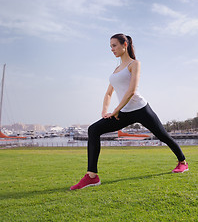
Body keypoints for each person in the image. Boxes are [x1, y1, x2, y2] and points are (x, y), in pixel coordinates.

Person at [70, 33, 188, 190]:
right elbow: (108, 93)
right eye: (110, 46)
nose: (111, 49)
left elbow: (132, 90)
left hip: (141, 109)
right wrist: (105, 111)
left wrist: (115, 110)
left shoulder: (134, 64)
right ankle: (92, 176)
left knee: (163, 136)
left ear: (124, 45)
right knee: (94, 130)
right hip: (123, 112)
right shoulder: (116, 69)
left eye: (114, 45)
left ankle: (183, 162)